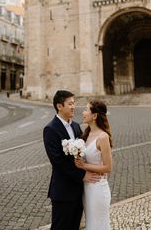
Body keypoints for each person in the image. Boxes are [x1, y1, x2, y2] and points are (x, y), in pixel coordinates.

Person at [43, 90, 101, 230]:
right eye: (70, 104)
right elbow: (58, 162)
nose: (73, 107)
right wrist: (83, 175)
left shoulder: (76, 126)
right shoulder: (50, 129)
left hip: (78, 190)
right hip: (62, 191)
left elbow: (83, 152)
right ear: (59, 106)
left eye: (74, 103)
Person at [75, 100, 113, 230]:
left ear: (95, 116)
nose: (83, 112)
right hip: (87, 188)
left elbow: (108, 168)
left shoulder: (103, 137)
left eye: (86, 109)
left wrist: (83, 166)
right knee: (91, 224)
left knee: (99, 225)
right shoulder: (86, 134)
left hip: (98, 188)